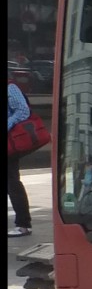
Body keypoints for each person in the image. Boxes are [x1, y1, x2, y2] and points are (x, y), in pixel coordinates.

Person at [8, 79, 34, 237]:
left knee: (12, 183)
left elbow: (23, 110)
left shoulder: (10, 87)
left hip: (9, 143)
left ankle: (23, 224)